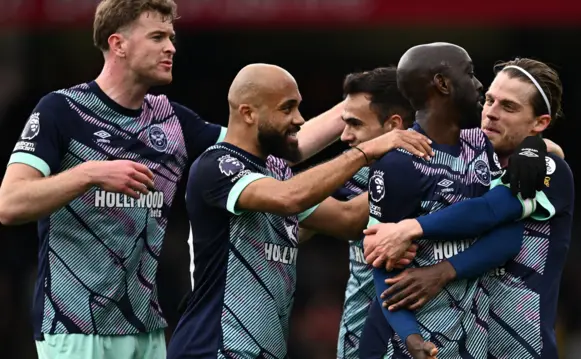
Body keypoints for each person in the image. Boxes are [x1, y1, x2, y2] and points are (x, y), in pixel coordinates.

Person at [0, 1, 353, 358]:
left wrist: (355, 108)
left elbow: (276, 145)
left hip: (146, 327)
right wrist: (89, 174)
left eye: (170, 36)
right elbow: (10, 203)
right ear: (118, 43)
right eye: (157, 36)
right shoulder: (61, 110)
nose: (170, 46)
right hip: (74, 324)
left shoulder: (172, 121)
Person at [166, 63, 432, 359]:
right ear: (249, 113)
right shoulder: (217, 164)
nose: (299, 119)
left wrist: (420, 171)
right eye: (287, 108)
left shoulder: (275, 170)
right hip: (213, 348)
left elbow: (347, 219)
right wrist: (367, 151)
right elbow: (290, 197)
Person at [363, 58, 573, 359]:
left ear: (539, 122)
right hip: (462, 344)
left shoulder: (551, 169)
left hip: (522, 345)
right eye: (489, 100)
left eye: (509, 107)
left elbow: (493, 212)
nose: (491, 114)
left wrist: (411, 232)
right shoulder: (469, 156)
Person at [327, 67, 419, 359]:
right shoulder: (350, 176)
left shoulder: (455, 169)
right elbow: (295, 222)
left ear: (394, 125)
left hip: (428, 337)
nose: (344, 136)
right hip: (356, 344)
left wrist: (533, 146)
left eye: (354, 123)